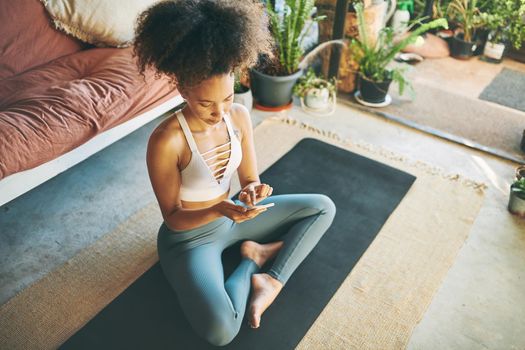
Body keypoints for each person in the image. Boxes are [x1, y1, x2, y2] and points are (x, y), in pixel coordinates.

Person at [133, 0, 336, 346]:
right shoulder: (166, 141)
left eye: (226, 98)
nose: (218, 112)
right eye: (206, 104)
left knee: (322, 207)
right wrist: (219, 209)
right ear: (183, 91)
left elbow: (249, 179)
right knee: (222, 331)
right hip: (188, 239)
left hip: (233, 218)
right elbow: (172, 219)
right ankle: (249, 262)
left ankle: (269, 278)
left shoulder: (238, 116)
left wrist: (253, 193)